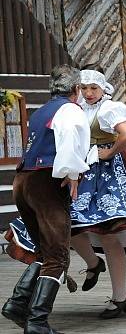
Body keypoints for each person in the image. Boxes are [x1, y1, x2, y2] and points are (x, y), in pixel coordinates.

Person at [7, 68, 126, 319]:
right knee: (70, 226)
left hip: (108, 176)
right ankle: (94, 264)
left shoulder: (108, 108)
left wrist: (109, 152)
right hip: (79, 172)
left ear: (103, 88)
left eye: (93, 88)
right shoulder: (75, 108)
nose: (88, 93)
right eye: (84, 88)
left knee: (109, 233)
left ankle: (120, 297)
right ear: (77, 90)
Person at [2, 64, 90, 333]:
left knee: (44, 250)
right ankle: (38, 323)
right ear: (76, 90)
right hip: (46, 183)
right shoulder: (71, 110)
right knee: (58, 256)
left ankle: (18, 304)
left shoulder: (41, 112)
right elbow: (71, 140)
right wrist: (72, 173)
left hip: (23, 180)